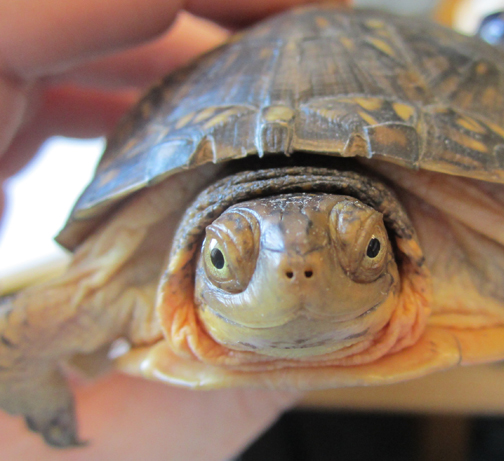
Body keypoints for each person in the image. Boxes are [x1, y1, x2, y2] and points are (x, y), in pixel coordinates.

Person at [0, 1, 347, 458]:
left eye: (370, 248)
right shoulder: (133, 265)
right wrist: (29, 388)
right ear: (191, 253)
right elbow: (22, 343)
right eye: (223, 258)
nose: (297, 275)